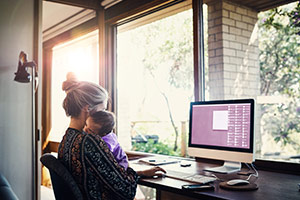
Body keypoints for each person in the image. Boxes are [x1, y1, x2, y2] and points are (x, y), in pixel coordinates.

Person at [58, 72, 166, 200]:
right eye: (102, 110)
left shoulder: (67, 139)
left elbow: (106, 176)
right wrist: (134, 174)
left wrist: (140, 173)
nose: (104, 115)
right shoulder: (89, 142)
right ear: (87, 108)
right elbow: (126, 190)